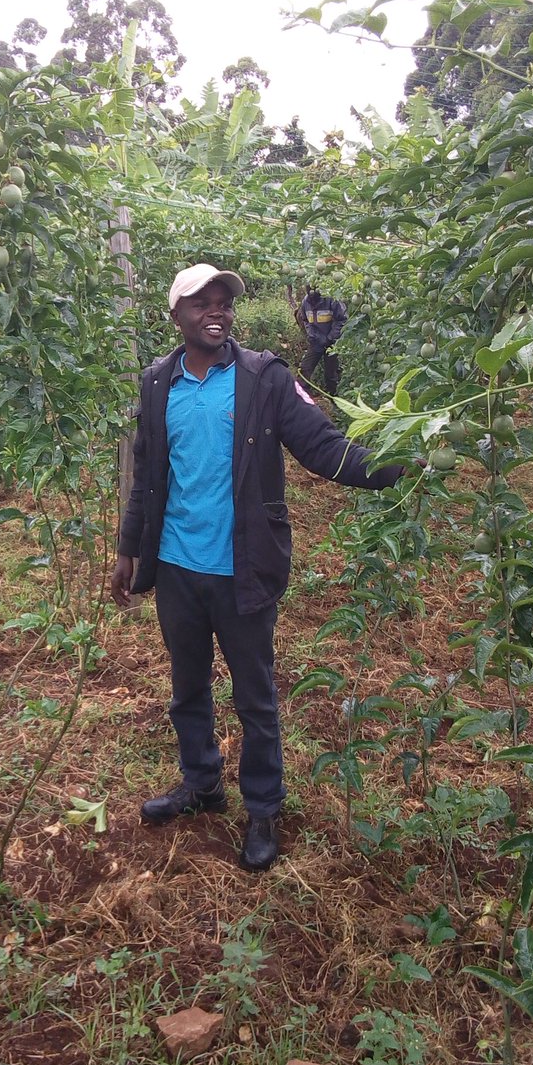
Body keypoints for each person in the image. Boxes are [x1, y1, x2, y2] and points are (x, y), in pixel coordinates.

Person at [109, 263, 403, 872]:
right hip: (177, 565)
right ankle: (201, 784)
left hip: (242, 566)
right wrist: (127, 549)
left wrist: (395, 465)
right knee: (188, 688)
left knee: (254, 696)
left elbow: (322, 446)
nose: (216, 312)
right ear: (176, 315)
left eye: (224, 303)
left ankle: (263, 807)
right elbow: (147, 475)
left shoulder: (265, 378)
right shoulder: (157, 382)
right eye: (201, 304)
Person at [298, 287, 347, 396]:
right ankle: (303, 397)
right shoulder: (306, 302)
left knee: (331, 374)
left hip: (331, 343)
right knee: (304, 369)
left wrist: (330, 337)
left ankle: (333, 398)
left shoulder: (332, 300)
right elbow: (305, 320)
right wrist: (312, 334)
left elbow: (342, 319)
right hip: (316, 341)